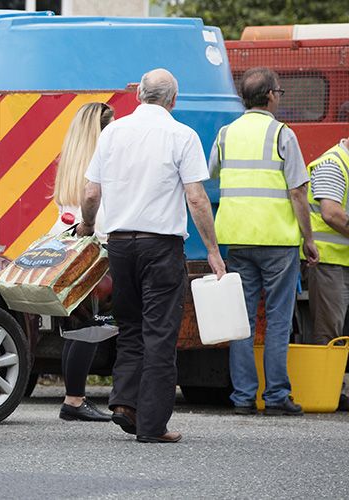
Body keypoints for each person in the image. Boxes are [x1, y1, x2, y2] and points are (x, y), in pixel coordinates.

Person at [79, 68, 226, 443]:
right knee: (160, 332)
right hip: (160, 246)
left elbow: (92, 193)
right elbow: (195, 197)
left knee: (129, 326)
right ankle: (153, 425)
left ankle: (124, 403)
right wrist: (212, 249)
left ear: (139, 96)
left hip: (120, 245)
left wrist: (87, 225)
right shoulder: (181, 135)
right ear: (172, 100)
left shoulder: (112, 132)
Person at [209, 67, 319, 417]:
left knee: (242, 321)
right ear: (270, 95)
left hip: (237, 240)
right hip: (277, 241)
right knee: (278, 318)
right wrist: (309, 239)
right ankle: (276, 396)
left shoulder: (226, 134)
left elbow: (209, 174)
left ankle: (242, 398)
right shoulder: (281, 134)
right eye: (280, 92)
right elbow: (298, 193)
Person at [51, 102, 114, 423]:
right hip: (95, 249)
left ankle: (72, 397)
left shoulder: (72, 159)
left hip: (70, 250)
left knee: (76, 328)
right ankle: (74, 400)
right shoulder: (102, 160)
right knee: (90, 329)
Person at [301, 135, 349, 411]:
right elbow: (332, 213)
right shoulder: (333, 164)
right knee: (329, 329)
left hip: (342, 260)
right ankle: (327, 391)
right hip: (329, 261)